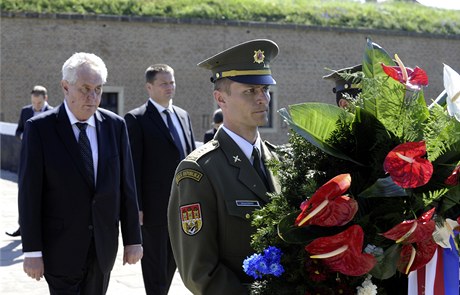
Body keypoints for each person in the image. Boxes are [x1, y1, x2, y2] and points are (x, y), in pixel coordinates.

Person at [18, 52, 143, 294]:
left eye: (98, 89)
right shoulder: (40, 129)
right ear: (65, 87)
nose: (93, 97)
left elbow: (126, 186)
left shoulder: (115, 126)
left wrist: (133, 239)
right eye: (85, 88)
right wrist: (32, 251)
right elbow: (29, 194)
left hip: (103, 248)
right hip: (59, 249)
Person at [167, 39, 282, 295]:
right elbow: (199, 272)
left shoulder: (280, 162)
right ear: (221, 98)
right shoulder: (199, 172)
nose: (263, 99)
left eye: (265, 90)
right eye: (250, 91)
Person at [124, 64, 196, 295]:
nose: (170, 87)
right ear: (149, 87)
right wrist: (137, 207)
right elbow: (132, 167)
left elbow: (191, 158)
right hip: (154, 210)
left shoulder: (183, 116)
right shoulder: (136, 119)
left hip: (184, 208)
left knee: (175, 264)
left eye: (172, 82)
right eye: (164, 83)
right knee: (155, 268)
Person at [5, 85, 54, 238]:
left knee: (47, 194)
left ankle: (45, 228)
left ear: (45, 99)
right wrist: (23, 136)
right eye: (33, 103)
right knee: (24, 194)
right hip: (27, 160)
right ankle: (23, 226)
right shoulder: (26, 111)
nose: (36, 106)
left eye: (38, 104)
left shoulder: (54, 113)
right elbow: (18, 130)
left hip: (47, 163)